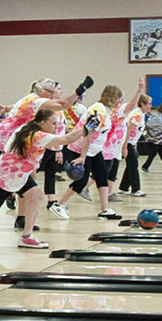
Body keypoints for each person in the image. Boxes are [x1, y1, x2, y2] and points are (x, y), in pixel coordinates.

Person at [0, 108, 88, 249]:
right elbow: (67, 139)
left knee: (37, 195)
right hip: (4, 176)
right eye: (53, 123)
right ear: (42, 123)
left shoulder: (27, 128)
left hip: (18, 176)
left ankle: (27, 237)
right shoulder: (37, 136)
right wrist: (87, 126)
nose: (56, 127)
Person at [55, 83, 136, 220]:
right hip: (82, 147)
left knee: (102, 175)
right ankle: (59, 204)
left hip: (95, 149)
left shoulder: (107, 110)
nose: (121, 102)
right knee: (82, 180)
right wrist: (82, 156)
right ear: (111, 98)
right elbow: (88, 134)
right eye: (119, 98)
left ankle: (104, 210)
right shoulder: (98, 112)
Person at [117, 94, 149, 197]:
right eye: (149, 103)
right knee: (133, 164)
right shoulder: (137, 115)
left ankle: (123, 187)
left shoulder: (141, 114)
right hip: (128, 142)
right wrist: (125, 146)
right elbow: (128, 130)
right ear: (142, 104)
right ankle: (135, 189)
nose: (150, 106)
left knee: (130, 164)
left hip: (131, 142)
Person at [140, 102, 162, 173]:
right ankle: (145, 166)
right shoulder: (156, 117)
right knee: (154, 154)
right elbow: (147, 126)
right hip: (154, 139)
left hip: (161, 140)